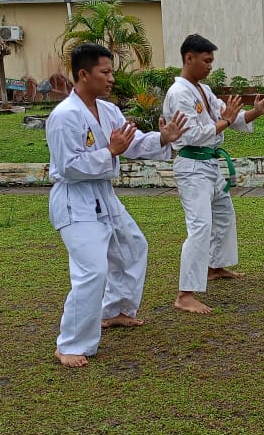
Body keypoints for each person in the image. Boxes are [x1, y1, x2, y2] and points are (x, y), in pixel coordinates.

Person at [48, 43, 188, 368]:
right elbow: (68, 166)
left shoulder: (108, 110)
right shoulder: (64, 117)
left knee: (132, 247)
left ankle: (116, 311)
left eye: (111, 72)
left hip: (103, 196)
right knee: (91, 272)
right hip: (75, 200)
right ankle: (69, 344)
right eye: (105, 72)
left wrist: (162, 138)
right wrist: (109, 152)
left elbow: (133, 143)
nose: (111, 79)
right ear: (84, 74)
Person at [163, 34, 264, 314]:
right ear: (188, 58)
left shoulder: (202, 90)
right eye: (206, 61)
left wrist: (257, 111)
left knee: (224, 215)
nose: (209, 66)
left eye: (212, 62)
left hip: (210, 165)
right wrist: (225, 120)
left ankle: (215, 267)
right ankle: (185, 294)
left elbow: (233, 119)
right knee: (200, 226)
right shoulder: (179, 93)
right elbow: (194, 135)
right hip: (192, 165)